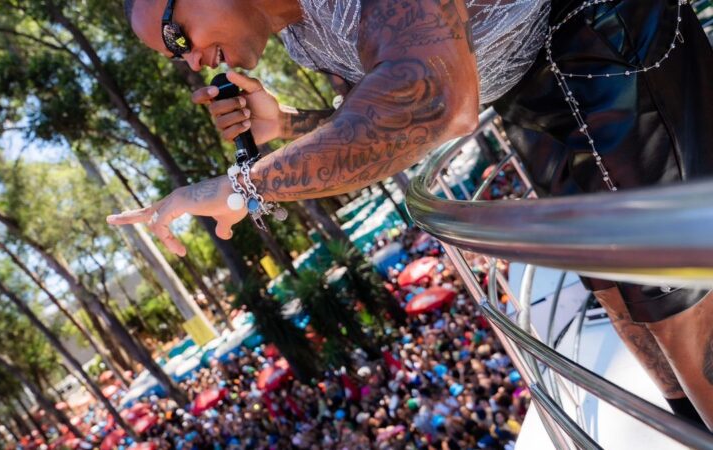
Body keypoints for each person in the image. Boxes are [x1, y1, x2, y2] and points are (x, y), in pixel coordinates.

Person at [109, 0, 713, 428]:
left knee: (677, 300)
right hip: (534, 89)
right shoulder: (302, 33)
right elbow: (384, 120)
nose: (189, 61)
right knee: (617, 297)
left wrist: (243, 186)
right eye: (173, 57)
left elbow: (436, 99)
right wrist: (286, 128)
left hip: (599, 33)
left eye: (178, 36)